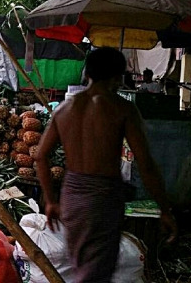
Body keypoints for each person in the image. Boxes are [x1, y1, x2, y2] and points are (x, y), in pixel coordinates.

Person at [36, 47, 177, 282]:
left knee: (82, 267)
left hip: (72, 198)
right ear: (117, 76)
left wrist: (51, 200)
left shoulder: (65, 108)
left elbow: (40, 156)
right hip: (103, 199)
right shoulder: (122, 109)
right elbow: (146, 164)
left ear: (87, 73)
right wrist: (164, 208)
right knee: (95, 273)